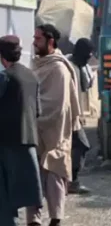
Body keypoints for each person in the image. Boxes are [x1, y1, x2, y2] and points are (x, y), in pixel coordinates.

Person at [27, 24, 82, 226]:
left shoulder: (59, 68)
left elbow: (58, 105)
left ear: (50, 42)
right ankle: (33, 219)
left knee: (55, 172)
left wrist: (38, 120)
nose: (34, 43)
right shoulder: (38, 64)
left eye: (38, 39)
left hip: (55, 131)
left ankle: (55, 218)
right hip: (34, 129)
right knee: (33, 174)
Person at [0, 35, 43, 226]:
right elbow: (38, 111)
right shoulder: (31, 76)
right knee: (26, 191)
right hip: (29, 140)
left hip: (6, 143)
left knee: (5, 196)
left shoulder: (4, 77)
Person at [67, 38, 95, 195]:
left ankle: (69, 181)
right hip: (65, 116)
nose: (88, 59)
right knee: (82, 145)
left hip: (74, 116)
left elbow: (84, 88)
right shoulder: (68, 66)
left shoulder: (80, 67)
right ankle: (71, 182)